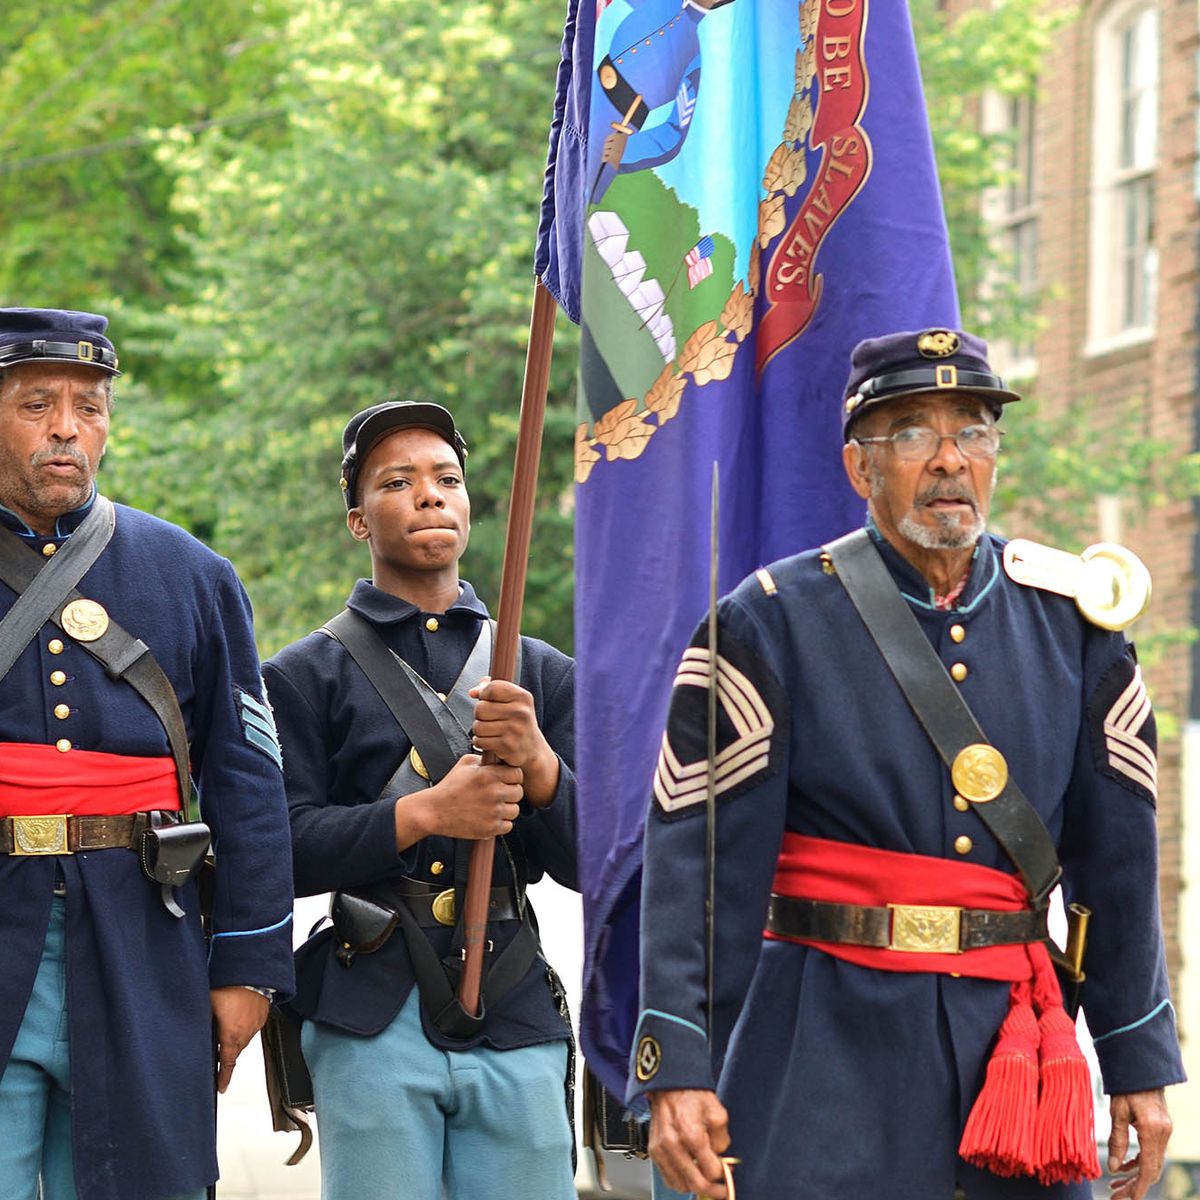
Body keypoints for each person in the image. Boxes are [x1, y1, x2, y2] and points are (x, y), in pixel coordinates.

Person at [629, 329, 1184, 1200]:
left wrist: (1138, 1057)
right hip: (821, 1055)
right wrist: (678, 1059)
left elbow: (1117, 866)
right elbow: (698, 867)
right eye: (916, 433)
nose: (951, 460)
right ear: (861, 468)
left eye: (974, 431)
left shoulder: (1076, 626)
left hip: (1018, 1063)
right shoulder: (767, 622)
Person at [0, 307, 295, 1200]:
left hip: (143, 940)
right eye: (36, 403)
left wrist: (247, 963)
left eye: (89, 406)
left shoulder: (193, 574)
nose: (67, 428)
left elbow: (248, 782)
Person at [263, 400, 578, 1200]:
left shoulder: (539, 672)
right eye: (396, 482)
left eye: (447, 478)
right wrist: (425, 814)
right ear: (357, 521)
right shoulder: (303, 677)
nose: (429, 495)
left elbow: (597, 863)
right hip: (371, 1005)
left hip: (512, 1001)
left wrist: (541, 764)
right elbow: (278, 849)